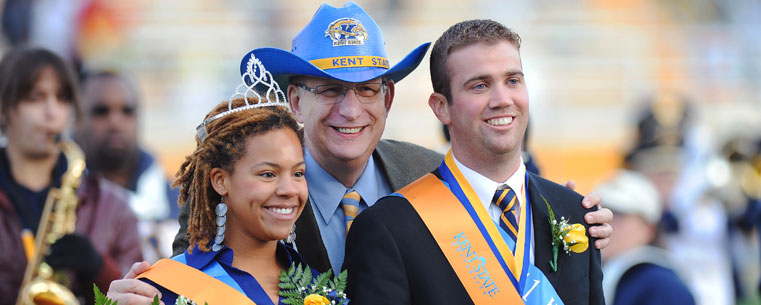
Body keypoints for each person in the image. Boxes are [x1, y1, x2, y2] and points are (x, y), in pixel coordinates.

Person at [107, 2, 613, 303]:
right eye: (329, 89)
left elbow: (511, 204)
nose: (351, 109)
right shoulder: (241, 190)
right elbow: (199, 283)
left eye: (368, 88)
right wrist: (141, 296)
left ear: (390, 98)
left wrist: (574, 216)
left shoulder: (428, 171)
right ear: (294, 100)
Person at [344, 20, 604, 304]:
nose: (503, 100)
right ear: (441, 107)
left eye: (513, 81)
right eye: (480, 86)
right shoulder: (389, 228)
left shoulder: (577, 215)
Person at [134, 55, 316, 304]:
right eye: (268, 174)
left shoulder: (319, 290)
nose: (289, 190)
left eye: (298, 173)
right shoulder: (164, 287)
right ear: (220, 180)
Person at [0, 47, 142, 304]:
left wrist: (99, 268)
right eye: (35, 98)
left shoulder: (114, 206)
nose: (52, 112)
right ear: (3, 109)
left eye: (63, 99)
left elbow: (144, 294)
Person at [77, 70, 180, 261]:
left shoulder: (181, 201)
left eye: (127, 111)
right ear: (76, 119)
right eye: (101, 111)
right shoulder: (58, 197)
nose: (115, 122)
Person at [595, 169, 695, 305]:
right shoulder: (601, 272)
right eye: (598, 213)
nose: (604, 222)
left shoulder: (661, 284)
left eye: (617, 214)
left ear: (648, 228)